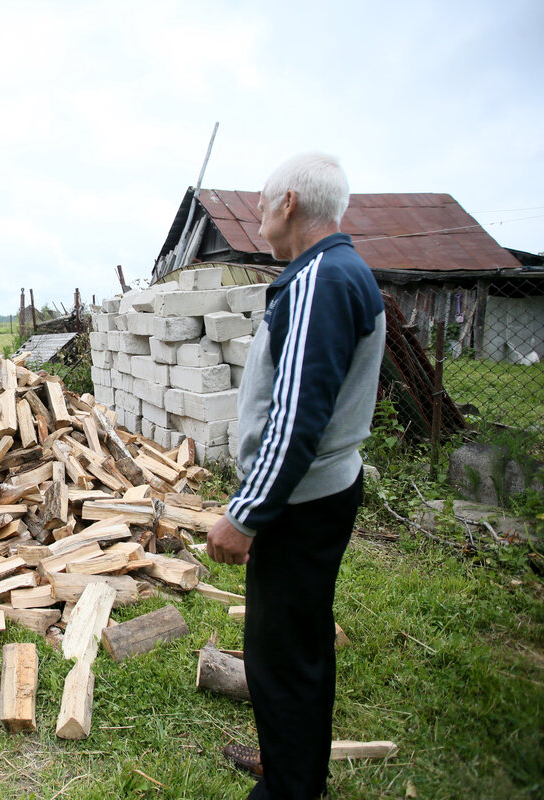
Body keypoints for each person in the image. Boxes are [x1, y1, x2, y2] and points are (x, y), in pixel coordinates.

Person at [206, 153, 386, 799]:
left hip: (299, 500)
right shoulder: (340, 271)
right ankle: (291, 766)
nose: (257, 218)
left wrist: (247, 513)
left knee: (281, 654)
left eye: (260, 205)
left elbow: (297, 417)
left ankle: (288, 788)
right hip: (320, 490)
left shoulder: (318, 281)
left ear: (288, 203)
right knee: (297, 642)